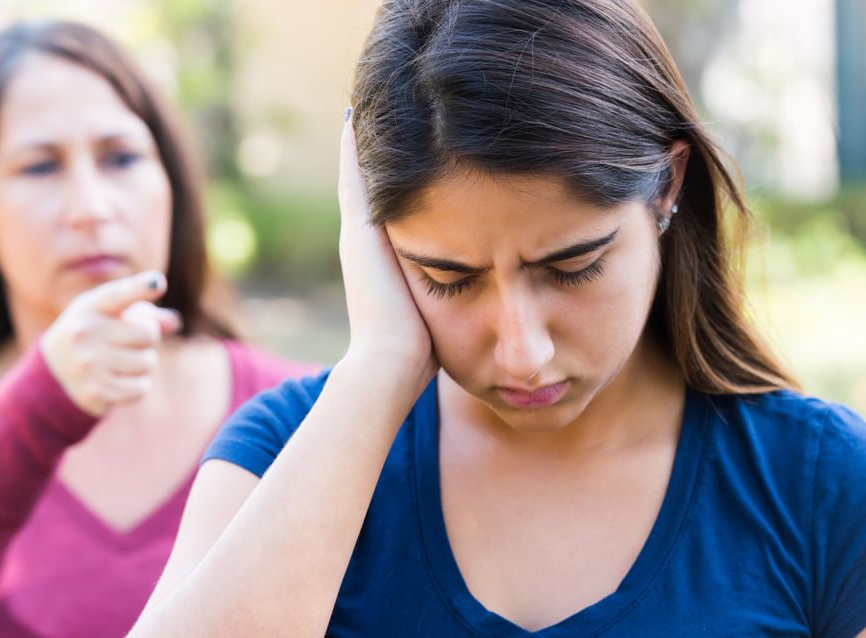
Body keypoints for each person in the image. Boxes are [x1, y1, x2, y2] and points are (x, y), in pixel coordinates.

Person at [129, 1, 866, 636]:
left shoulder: (819, 484)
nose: (521, 353)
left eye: (573, 267)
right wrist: (380, 363)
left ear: (667, 185)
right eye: (447, 279)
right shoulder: (285, 453)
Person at [0, 20, 309, 638]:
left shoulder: (306, 416)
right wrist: (40, 407)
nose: (91, 208)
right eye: (40, 167)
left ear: (171, 186)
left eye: (121, 158)